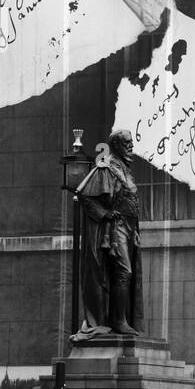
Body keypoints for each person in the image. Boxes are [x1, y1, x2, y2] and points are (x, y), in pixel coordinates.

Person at [74, 129, 144, 339]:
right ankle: (118, 321)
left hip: (129, 229)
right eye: (127, 143)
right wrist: (105, 214)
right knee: (124, 272)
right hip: (114, 229)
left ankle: (121, 319)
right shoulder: (106, 168)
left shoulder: (123, 169)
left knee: (126, 274)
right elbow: (85, 196)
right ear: (116, 145)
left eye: (132, 142)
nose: (131, 146)